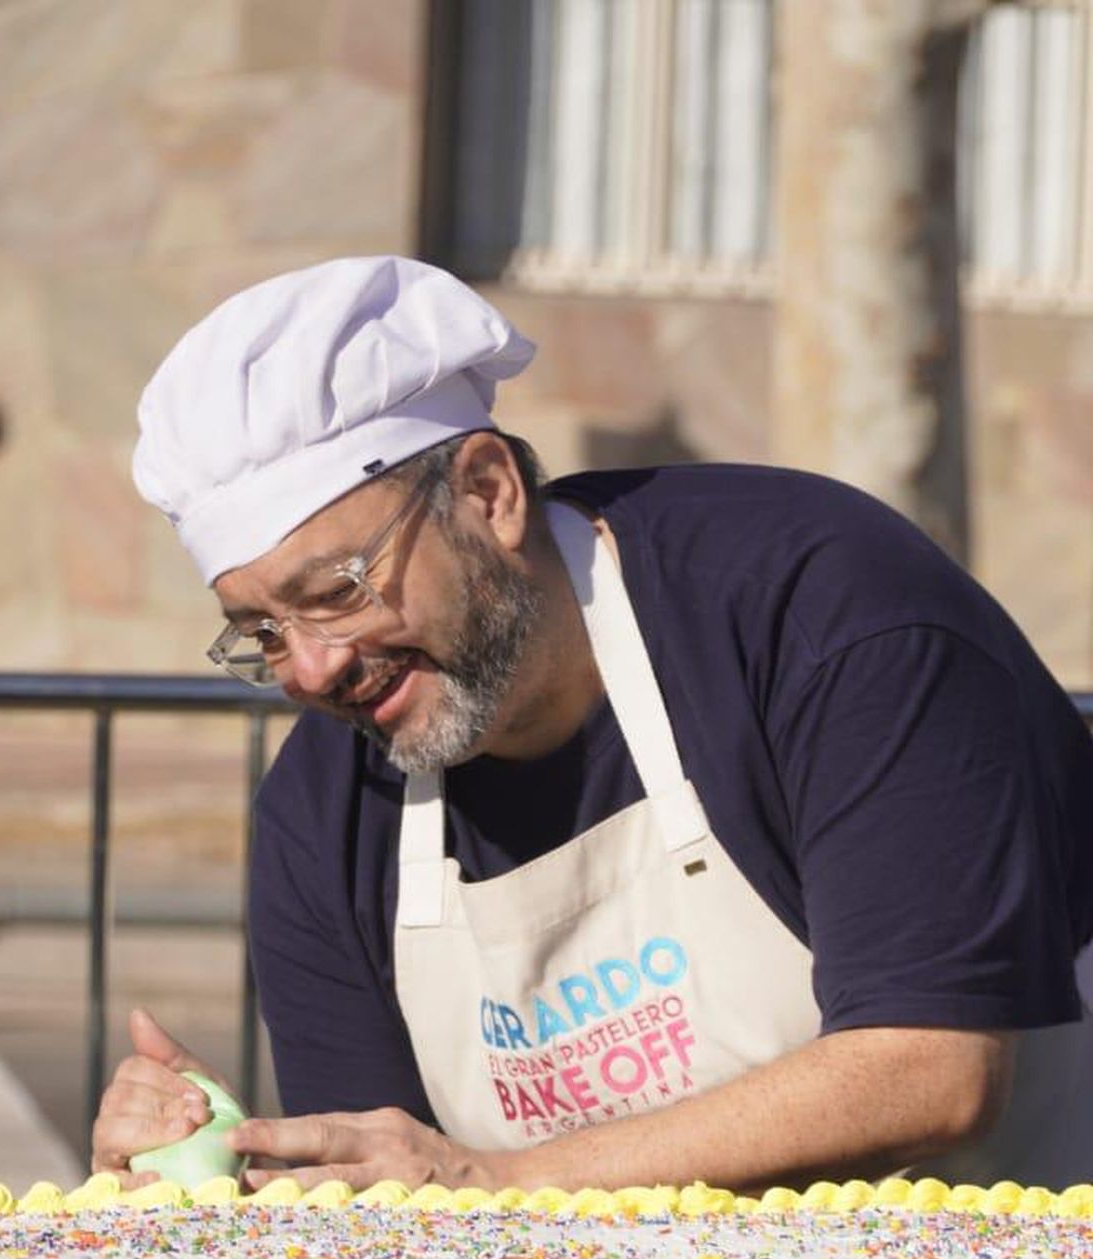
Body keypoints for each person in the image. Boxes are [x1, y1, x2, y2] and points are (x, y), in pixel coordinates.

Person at [93, 255, 1093, 1195]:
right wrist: (221, 1165)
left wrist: (502, 1186)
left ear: (488, 494)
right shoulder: (326, 810)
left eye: (339, 593)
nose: (310, 670)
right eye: (262, 632)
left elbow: (933, 1066)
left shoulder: (817, 612)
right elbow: (383, 1203)